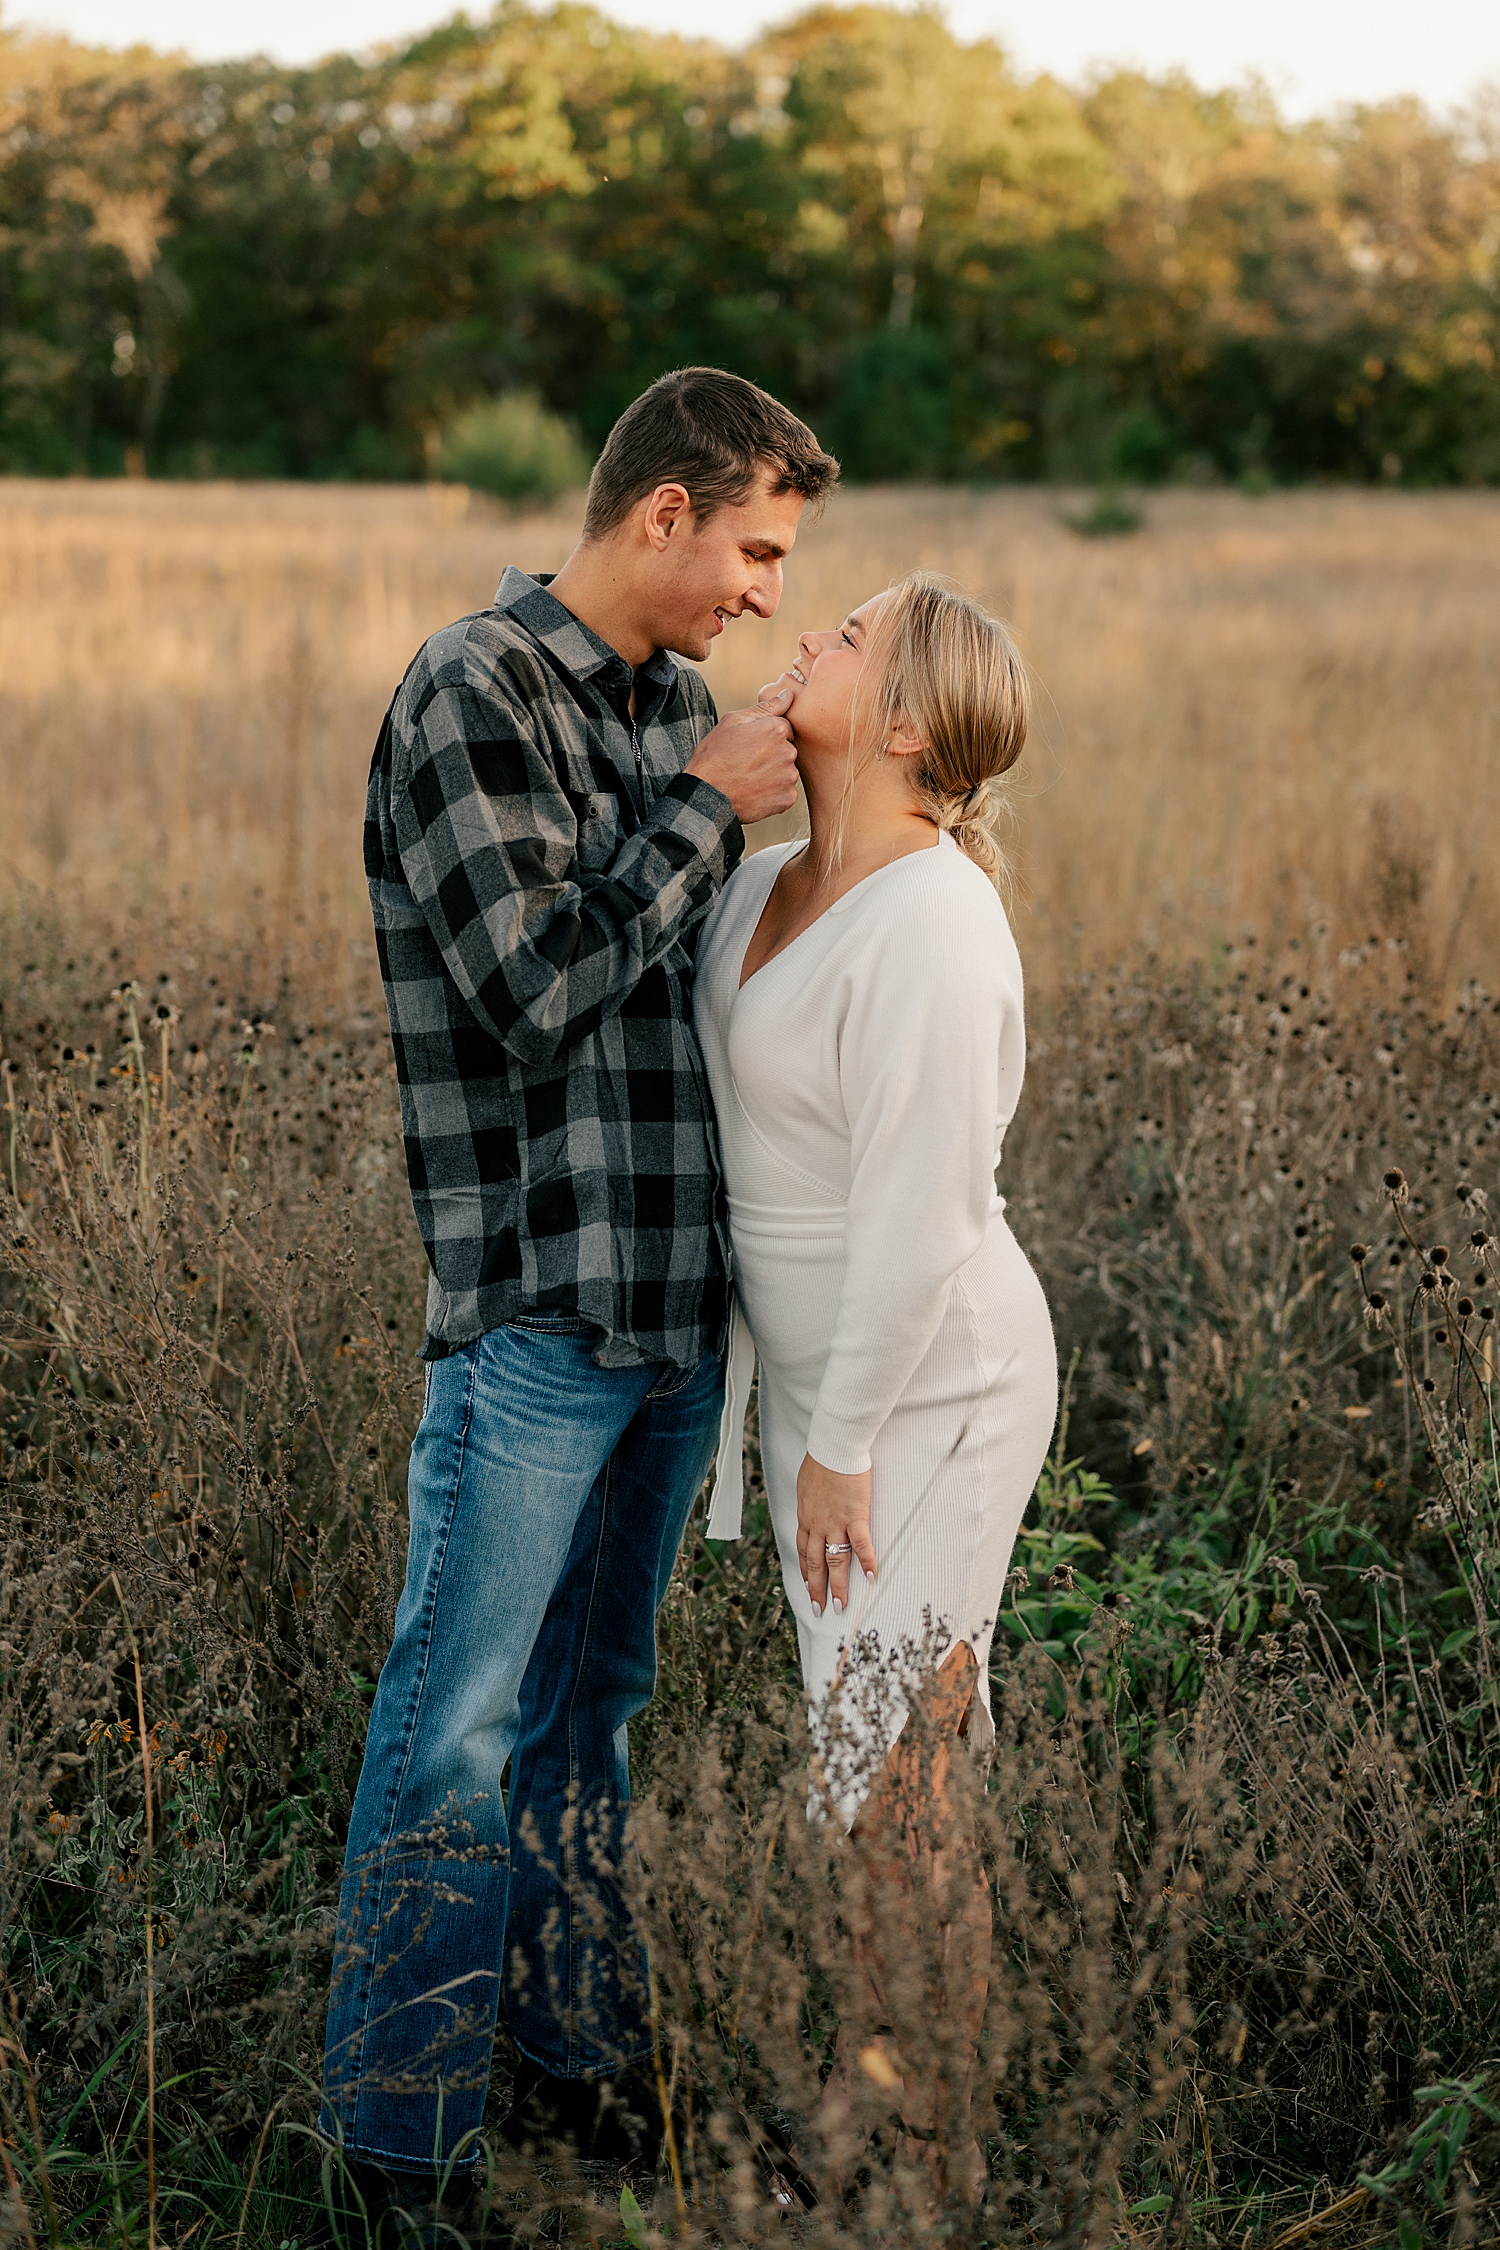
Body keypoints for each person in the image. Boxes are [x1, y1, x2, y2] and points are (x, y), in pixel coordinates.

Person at [319, 367, 838, 2242]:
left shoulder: (673, 707)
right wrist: (707, 804)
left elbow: (690, 993)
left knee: (589, 1716)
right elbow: (534, 988)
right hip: (537, 1312)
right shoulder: (476, 689)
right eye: (758, 549)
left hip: (672, 1316)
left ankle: (565, 2056)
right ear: (666, 513)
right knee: (454, 1730)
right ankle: (397, 2140)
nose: (766, 596)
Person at [695, 571, 1058, 2195]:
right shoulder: (767, 877)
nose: (811, 637)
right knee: (864, 1767)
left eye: (847, 635)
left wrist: (836, 1447)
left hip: (928, 1396)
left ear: (903, 723)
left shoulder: (933, 918)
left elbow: (922, 1223)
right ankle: (886, 2118)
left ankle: (925, 2152)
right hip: (821, 1404)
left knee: (903, 1773)